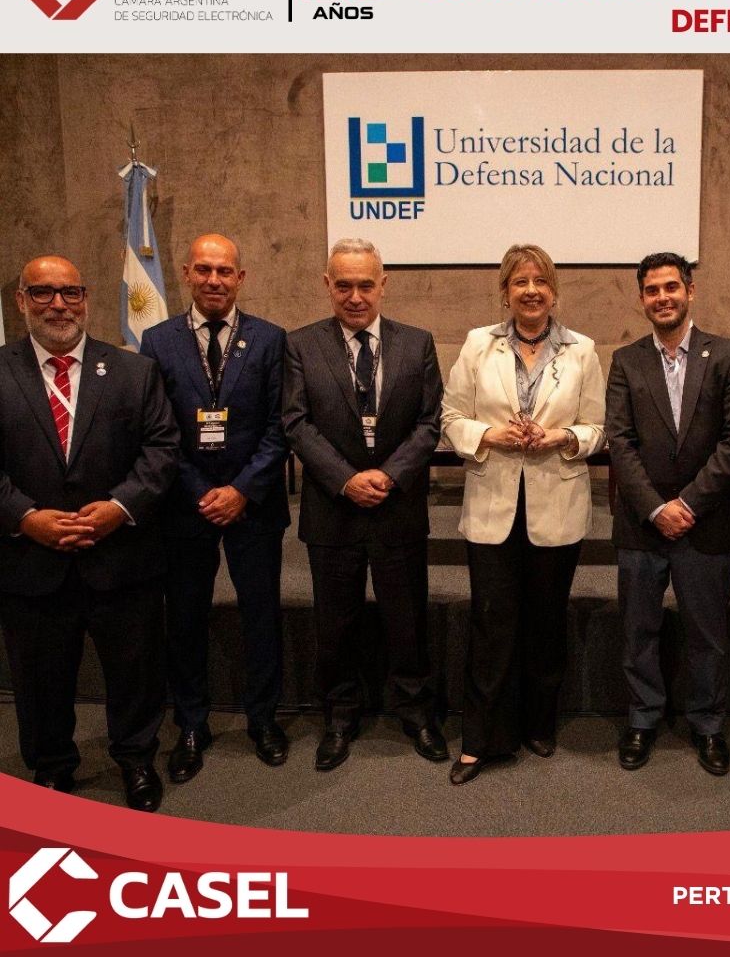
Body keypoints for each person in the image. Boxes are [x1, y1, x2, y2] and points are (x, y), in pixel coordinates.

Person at [0, 255, 179, 810]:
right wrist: (25, 517)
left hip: (120, 555)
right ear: (21, 301)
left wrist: (120, 508)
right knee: (40, 678)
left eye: (71, 293)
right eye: (43, 292)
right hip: (31, 560)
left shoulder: (133, 371)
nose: (59, 304)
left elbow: (162, 449)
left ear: (86, 299)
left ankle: (136, 759)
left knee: (135, 672)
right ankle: (52, 765)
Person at [441, 243, 605, 784]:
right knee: (491, 623)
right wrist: (490, 434)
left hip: (557, 505)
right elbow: (450, 417)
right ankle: (481, 740)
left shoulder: (582, 350)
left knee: (546, 622)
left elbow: (598, 429)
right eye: (520, 282)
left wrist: (561, 436)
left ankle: (539, 722)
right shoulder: (477, 344)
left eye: (540, 281)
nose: (531, 291)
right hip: (493, 507)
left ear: (553, 291)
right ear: (505, 292)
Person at [283, 238, 446, 770]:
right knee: (335, 624)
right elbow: (295, 423)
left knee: (408, 620)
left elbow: (430, 422)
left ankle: (416, 711)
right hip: (333, 510)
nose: (355, 296)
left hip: (397, 508)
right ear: (327, 285)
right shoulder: (300, 345)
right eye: (344, 285)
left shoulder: (416, 343)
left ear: (383, 284)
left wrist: (390, 476)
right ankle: (339, 715)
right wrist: (346, 479)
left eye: (366, 285)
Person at [140, 234, 290, 782]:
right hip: (186, 506)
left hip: (254, 504)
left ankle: (263, 719)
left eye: (225, 271)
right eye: (203, 269)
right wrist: (200, 490)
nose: (214, 280)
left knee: (261, 614)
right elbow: (156, 428)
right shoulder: (157, 341)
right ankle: (191, 724)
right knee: (185, 617)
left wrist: (242, 490)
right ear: (186, 274)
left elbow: (281, 425)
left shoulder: (270, 339)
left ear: (240, 278)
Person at [606, 253, 730, 774]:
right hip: (641, 523)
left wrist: (687, 504)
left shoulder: (729, 355)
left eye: (671, 287)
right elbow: (620, 442)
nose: (662, 297)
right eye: (652, 290)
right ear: (642, 299)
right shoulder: (626, 361)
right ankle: (643, 718)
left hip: (705, 521)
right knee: (638, 630)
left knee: (707, 633)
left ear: (690, 290)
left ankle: (708, 724)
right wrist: (655, 508)